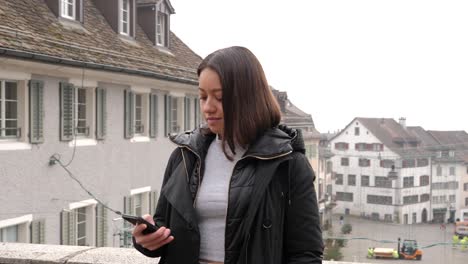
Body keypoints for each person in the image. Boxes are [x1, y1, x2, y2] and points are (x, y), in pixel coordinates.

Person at [131, 46, 323, 263]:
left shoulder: (287, 162)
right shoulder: (184, 156)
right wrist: (146, 240)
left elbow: (306, 254)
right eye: (203, 97)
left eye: (220, 98)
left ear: (249, 98)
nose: (208, 107)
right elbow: (164, 229)